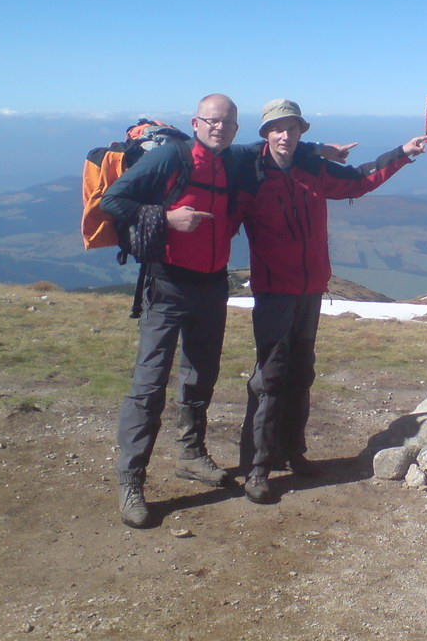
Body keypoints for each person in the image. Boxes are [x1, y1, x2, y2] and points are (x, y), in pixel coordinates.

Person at [102, 94, 351, 528]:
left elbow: (275, 148)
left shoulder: (234, 159)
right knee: (149, 384)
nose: (219, 128)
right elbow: (113, 200)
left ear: (236, 129)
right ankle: (131, 481)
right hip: (167, 285)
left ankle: (191, 454)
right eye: (212, 121)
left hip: (212, 286)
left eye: (227, 123)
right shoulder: (170, 158)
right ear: (196, 122)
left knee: (201, 376)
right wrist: (166, 217)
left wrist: (317, 150)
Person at [235, 98, 427, 504]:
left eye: (292, 128)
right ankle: (258, 467)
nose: (284, 134)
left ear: (301, 131)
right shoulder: (250, 174)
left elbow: (358, 180)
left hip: (309, 289)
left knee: (301, 371)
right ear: (265, 134)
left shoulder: (312, 170)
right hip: (273, 290)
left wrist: (402, 155)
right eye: (276, 128)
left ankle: (293, 451)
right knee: (269, 378)